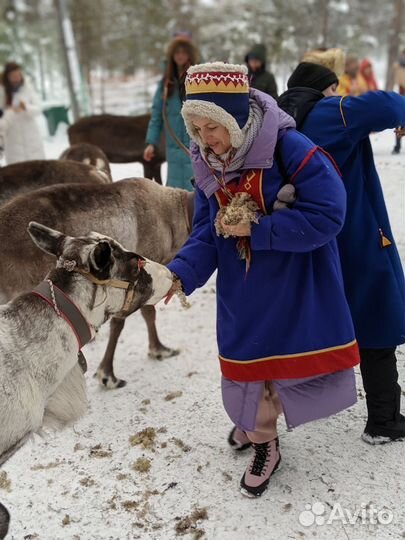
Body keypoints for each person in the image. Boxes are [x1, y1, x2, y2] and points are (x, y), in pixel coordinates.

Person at [164, 62, 360, 498]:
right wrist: (180, 273)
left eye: (211, 127)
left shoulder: (288, 147)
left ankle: (263, 440)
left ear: (234, 118)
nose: (203, 139)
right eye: (194, 128)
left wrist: (261, 229)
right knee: (244, 357)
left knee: (272, 361)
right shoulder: (208, 162)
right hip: (242, 286)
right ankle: (256, 424)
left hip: (293, 280)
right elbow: (205, 231)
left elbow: (330, 213)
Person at [278, 60, 405, 445]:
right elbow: (391, 107)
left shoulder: (282, 124)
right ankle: (384, 420)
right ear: (325, 89)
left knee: (303, 328)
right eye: (336, 90)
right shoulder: (327, 112)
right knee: (377, 321)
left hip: (310, 241)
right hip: (357, 236)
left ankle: (257, 420)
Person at [143, 34, 199, 190]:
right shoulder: (166, 83)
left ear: (189, 54)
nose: (180, 56)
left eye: (184, 52)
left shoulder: (198, 79)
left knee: (196, 189)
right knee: (175, 191)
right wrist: (151, 143)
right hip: (173, 146)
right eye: (177, 52)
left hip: (194, 142)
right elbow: (156, 115)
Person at [0, 61, 45, 164]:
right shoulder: (1, 93)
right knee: (18, 173)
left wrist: (26, 108)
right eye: (13, 75)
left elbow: (39, 108)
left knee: (37, 170)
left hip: (31, 138)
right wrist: (8, 111)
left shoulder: (28, 88)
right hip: (13, 141)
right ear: (7, 77)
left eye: (18, 74)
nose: (17, 78)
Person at [392, 49, 405, 154]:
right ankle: (397, 145)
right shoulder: (399, 66)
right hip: (401, 96)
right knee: (399, 122)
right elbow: (398, 81)